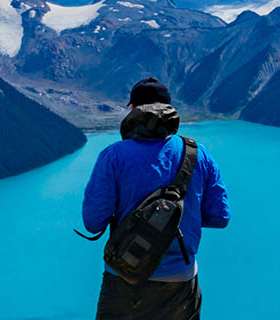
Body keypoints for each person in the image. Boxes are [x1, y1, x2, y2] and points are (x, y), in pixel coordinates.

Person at [82, 78, 230, 320]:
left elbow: (93, 222)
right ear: (170, 110)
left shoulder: (112, 156)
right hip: (180, 283)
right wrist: (177, 216)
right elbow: (221, 216)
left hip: (123, 277)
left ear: (132, 110)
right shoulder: (198, 154)